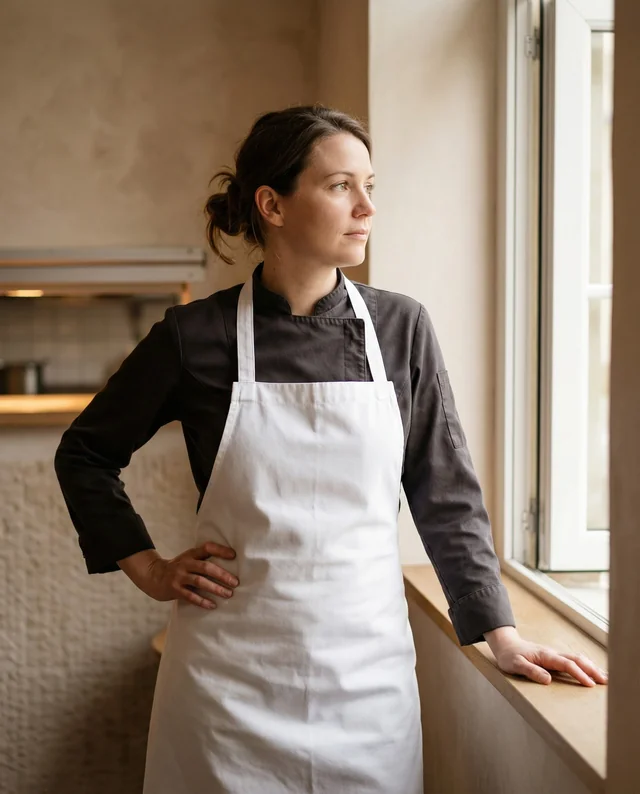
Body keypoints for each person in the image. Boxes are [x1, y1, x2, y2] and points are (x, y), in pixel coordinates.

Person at [54, 104, 608, 794]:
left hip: (367, 689)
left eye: (370, 185)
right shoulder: (194, 337)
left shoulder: (400, 327)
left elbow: (446, 494)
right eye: (341, 186)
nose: (367, 206)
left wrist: (503, 635)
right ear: (272, 205)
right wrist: (150, 569)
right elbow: (85, 452)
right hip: (226, 692)